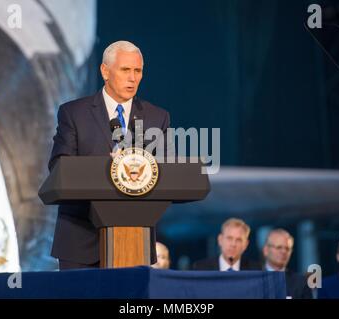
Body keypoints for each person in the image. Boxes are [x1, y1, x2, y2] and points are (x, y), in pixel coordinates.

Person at [48, 41, 170, 270]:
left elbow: (162, 173)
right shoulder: (73, 113)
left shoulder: (157, 117)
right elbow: (58, 167)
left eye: (138, 71)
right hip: (80, 239)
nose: (133, 78)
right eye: (126, 70)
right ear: (105, 71)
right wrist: (107, 168)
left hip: (136, 241)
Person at [262, 229, 313, 299]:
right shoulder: (251, 281)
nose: (283, 251)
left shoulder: (301, 283)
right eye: (279, 247)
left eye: (287, 248)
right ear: (266, 250)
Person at [193, 218, 258, 271]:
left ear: (246, 244)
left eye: (238, 240)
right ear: (220, 240)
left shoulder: (255, 270)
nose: (233, 244)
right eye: (229, 238)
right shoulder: (201, 268)